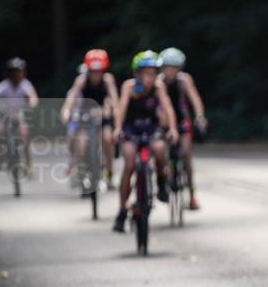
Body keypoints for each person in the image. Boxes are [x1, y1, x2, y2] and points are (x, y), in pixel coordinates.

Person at [111, 50, 178, 233]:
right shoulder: (129, 87)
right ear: (137, 73)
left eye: (153, 73)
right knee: (130, 163)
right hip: (131, 128)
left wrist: (172, 128)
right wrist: (117, 129)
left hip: (151, 128)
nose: (149, 78)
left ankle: (162, 181)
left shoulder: (158, 88)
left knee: (159, 149)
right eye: (145, 73)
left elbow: (168, 108)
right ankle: (122, 210)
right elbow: (121, 109)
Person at [60, 49, 119, 188]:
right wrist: (66, 111)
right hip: (84, 117)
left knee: (107, 138)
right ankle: (80, 171)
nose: (96, 75)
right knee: (80, 144)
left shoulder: (108, 81)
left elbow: (115, 101)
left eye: (99, 71)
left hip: (102, 116)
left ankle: (109, 172)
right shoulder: (81, 80)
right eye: (93, 71)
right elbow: (71, 98)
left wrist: (114, 114)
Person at [158, 47, 207, 210]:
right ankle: (166, 176)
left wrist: (199, 117)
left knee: (186, 155)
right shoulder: (158, 82)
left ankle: (192, 195)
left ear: (179, 68)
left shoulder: (184, 80)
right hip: (164, 122)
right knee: (161, 152)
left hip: (182, 121)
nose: (170, 71)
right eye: (167, 67)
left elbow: (195, 98)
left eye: (174, 67)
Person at [0, 57, 39, 174]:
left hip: (19, 113)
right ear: (10, 73)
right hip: (5, 114)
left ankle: (28, 164)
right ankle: (0, 157)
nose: (18, 74)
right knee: (0, 131)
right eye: (15, 72)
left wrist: (32, 104)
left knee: (24, 135)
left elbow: (33, 97)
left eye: (20, 71)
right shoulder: (3, 86)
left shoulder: (25, 84)